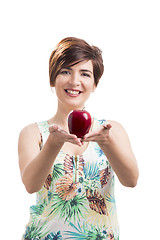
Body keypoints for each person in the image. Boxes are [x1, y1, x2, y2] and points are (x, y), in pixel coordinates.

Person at [18, 37, 139, 240]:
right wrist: (53, 144)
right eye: (65, 71)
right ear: (52, 79)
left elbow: (131, 180)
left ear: (94, 84)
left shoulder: (111, 130)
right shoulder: (33, 133)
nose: (74, 81)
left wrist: (106, 143)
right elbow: (31, 185)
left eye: (85, 74)